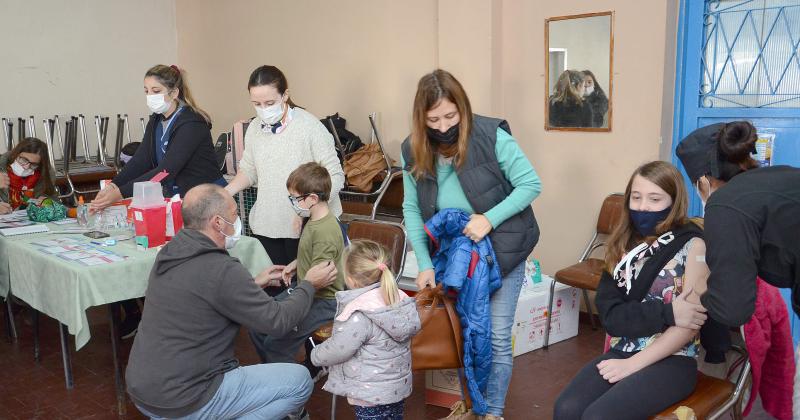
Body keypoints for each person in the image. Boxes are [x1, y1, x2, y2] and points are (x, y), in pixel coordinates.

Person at [126, 183, 337, 419]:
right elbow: (277, 321)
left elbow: (201, 295)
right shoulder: (222, 268)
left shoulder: (170, 252)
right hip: (189, 397)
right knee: (299, 381)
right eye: (235, 214)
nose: (237, 220)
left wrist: (252, 284)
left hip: (143, 391)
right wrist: (309, 285)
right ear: (217, 222)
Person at [401, 69, 541, 419]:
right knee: (466, 333)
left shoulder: (491, 136)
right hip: (455, 255)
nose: (444, 126)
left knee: (494, 337)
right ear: (422, 119)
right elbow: (412, 209)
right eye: (433, 119)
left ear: (463, 108)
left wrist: (488, 218)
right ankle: (473, 405)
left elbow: (530, 185)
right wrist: (424, 264)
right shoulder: (412, 148)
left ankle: (491, 413)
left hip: (503, 247)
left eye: (451, 116)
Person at [554, 161, 709, 419]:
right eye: (636, 197)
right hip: (623, 346)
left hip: (674, 358)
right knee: (566, 409)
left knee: (599, 417)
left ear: (674, 201)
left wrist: (631, 366)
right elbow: (611, 315)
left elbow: (688, 326)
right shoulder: (623, 244)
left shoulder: (693, 246)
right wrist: (669, 312)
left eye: (655, 198)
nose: (643, 207)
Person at [674, 121, 800, 416]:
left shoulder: (725, 205)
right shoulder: (777, 178)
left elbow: (733, 308)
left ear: (703, 181)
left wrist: (693, 298)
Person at [224, 65, 344, 271]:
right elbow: (249, 170)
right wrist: (225, 193)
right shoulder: (254, 128)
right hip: (267, 225)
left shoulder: (310, 127)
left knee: (308, 290)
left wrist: (306, 208)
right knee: (274, 290)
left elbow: (335, 176)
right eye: (257, 104)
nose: (263, 109)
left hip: (309, 227)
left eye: (269, 103)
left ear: (285, 95)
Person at [249, 162, 345, 379]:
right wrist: (297, 263)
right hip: (308, 290)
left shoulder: (326, 231)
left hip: (323, 300)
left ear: (312, 199)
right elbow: (313, 255)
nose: (293, 203)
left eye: (295, 198)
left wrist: (302, 284)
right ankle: (275, 376)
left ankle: (288, 393)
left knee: (276, 344)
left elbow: (323, 276)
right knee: (258, 325)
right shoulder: (314, 220)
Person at [310, 239, 421, 420]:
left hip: (369, 393)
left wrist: (316, 355)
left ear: (351, 280)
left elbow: (339, 349)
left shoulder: (359, 313)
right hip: (396, 388)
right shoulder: (399, 299)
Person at [90, 64, 223, 211]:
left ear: (173, 93)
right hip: (182, 196)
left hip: (208, 198)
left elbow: (166, 171)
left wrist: (120, 193)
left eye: (156, 91)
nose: (150, 96)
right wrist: (114, 186)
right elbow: (141, 159)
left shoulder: (191, 123)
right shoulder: (156, 120)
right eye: (147, 91)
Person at [0, 138, 57, 214]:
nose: (26, 167)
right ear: (15, 154)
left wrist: (48, 203)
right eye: (23, 160)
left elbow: (56, 204)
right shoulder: (2, 168)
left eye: (33, 164)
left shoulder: (45, 175)